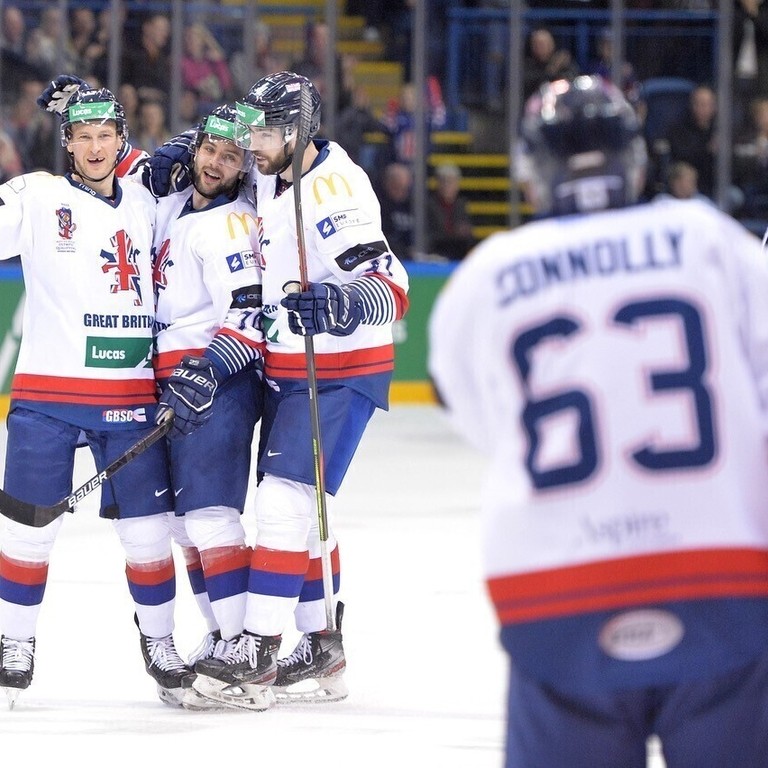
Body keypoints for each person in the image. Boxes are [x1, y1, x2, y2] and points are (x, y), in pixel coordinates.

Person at [428, 74, 768, 767]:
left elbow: (486, 420)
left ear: (530, 171)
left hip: (558, 591)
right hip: (721, 580)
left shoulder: (489, 276)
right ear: (636, 159)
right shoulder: (706, 237)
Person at [151, 71, 409, 710]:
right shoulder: (272, 166)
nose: (253, 144)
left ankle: (258, 650)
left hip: (339, 372)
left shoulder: (336, 192)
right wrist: (177, 149)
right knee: (305, 515)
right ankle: (321, 645)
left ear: (299, 132)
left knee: (283, 503)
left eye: (265, 133)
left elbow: (392, 283)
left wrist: (345, 302)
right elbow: (223, 150)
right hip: (288, 370)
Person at [0, 86, 190, 708]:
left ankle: (160, 644)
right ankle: (14, 644)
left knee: (147, 534)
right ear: (66, 142)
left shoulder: (148, 202)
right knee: (27, 531)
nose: (94, 147)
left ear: (119, 139)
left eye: (105, 135)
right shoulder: (36, 195)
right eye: (82, 137)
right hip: (49, 393)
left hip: (132, 398)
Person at [149, 103, 265, 710]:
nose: (216, 164)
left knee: (211, 517)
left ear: (245, 166)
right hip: (167, 383)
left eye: (231, 156)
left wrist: (212, 368)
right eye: (209, 151)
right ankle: (223, 635)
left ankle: (249, 654)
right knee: (178, 525)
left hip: (216, 381)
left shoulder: (234, 225)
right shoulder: (172, 209)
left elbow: (251, 315)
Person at [426, 162, 475, 261]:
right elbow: (428, 234)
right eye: (443, 181)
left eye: (450, 181)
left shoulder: (461, 205)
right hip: (436, 253)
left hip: (458, 252)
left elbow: (468, 234)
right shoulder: (429, 205)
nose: (446, 185)